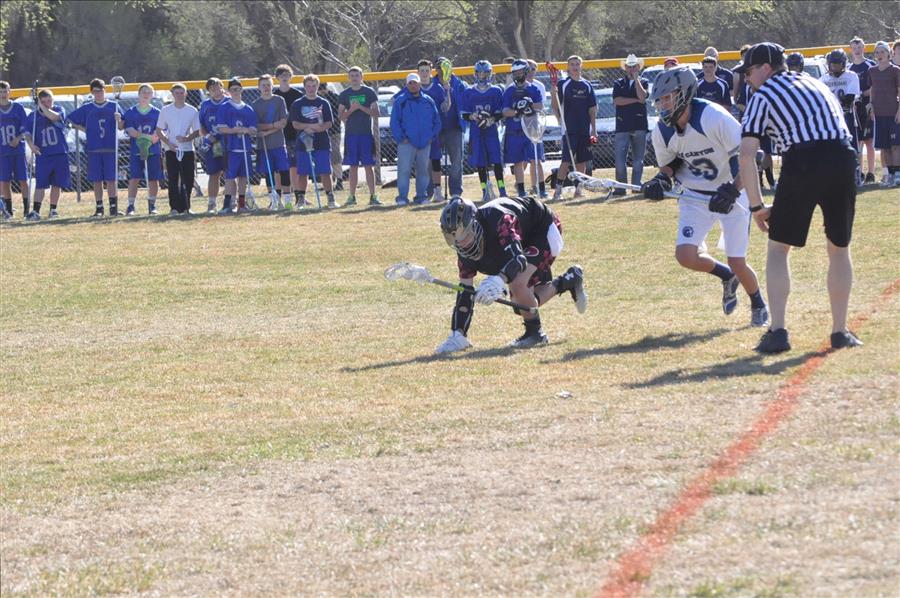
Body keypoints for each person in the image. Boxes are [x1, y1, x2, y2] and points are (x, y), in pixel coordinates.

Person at [736, 42, 861, 353]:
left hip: (803, 159)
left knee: (778, 248)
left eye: (749, 72)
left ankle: (778, 331)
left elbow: (747, 154)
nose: (747, 79)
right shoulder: (814, 82)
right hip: (843, 157)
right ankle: (840, 332)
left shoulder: (763, 94)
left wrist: (756, 206)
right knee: (839, 248)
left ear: (766, 68)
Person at [641, 67, 768, 327]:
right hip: (695, 195)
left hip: (732, 192)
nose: (663, 105)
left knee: (737, 260)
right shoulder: (662, 130)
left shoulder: (713, 116)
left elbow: (746, 158)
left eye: (667, 98)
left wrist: (733, 189)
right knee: (685, 256)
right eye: (660, 100)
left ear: (684, 93)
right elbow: (670, 164)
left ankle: (758, 303)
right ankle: (727, 276)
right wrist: (660, 180)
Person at [435, 195, 587, 353]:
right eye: (454, 238)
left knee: (517, 283)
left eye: (465, 234)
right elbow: (465, 289)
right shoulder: (462, 247)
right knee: (520, 305)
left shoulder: (501, 220)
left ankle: (535, 334)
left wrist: (499, 279)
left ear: (475, 223)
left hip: (542, 228)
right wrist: (458, 334)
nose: (462, 243)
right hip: (522, 237)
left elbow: (518, 259)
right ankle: (569, 280)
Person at [68, 78, 124, 217]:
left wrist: (119, 120)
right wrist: (84, 129)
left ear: (105, 90)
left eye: (101, 91)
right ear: (92, 93)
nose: (98, 94)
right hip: (94, 148)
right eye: (95, 91)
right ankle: (99, 208)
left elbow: (121, 126)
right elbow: (69, 120)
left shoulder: (114, 106)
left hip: (110, 147)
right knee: (97, 179)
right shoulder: (87, 108)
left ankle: (113, 208)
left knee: (111, 179)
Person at [389, 72, 440, 205]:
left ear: (419, 84)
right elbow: (394, 122)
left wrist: (432, 136)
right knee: (404, 170)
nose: (413, 85)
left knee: (423, 171)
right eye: (410, 83)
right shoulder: (400, 101)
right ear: (406, 85)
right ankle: (402, 197)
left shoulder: (428, 100)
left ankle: (421, 196)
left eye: (415, 83)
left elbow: (436, 120)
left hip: (425, 142)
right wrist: (401, 138)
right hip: (406, 142)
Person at [550, 55, 597, 199]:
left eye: (577, 64)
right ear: (568, 67)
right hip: (569, 129)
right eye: (572, 64)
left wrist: (593, 128)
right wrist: (559, 118)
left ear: (581, 66)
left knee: (582, 161)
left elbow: (592, 108)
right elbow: (555, 105)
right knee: (566, 161)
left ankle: (578, 190)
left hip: (584, 129)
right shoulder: (563, 84)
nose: (575, 67)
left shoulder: (587, 85)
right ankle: (558, 191)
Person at [290, 73, 338, 208]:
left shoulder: (324, 103)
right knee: (303, 172)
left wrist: (318, 128)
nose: (311, 89)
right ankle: (301, 199)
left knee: (325, 171)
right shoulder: (298, 104)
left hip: (321, 142)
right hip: (303, 142)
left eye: (313, 86)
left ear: (317, 86)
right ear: (304, 87)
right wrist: (308, 127)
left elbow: (329, 123)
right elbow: (295, 124)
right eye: (308, 86)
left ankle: (330, 198)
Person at [461, 60, 506, 202]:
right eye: (479, 73)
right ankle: (485, 190)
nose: (482, 76)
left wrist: (492, 119)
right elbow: (464, 114)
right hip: (476, 131)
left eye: (485, 73)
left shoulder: (496, 91)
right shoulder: (469, 91)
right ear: (475, 74)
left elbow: (500, 112)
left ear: (490, 73)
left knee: (496, 161)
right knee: (480, 162)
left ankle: (502, 190)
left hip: (491, 130)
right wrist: (473, 116)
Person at [23, 88, 69, 220]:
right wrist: (31, 144)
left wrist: (42, 107)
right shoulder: (33, 116)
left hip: (59, 152)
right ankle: (36, 211)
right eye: (43, 101)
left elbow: (53, 117)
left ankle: (53, 210)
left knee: (57, 183)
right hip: (43, 154)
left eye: (49, 100)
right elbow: (27, 133)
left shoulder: (59, 109)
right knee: (41, 184)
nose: (47, 103)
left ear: (53, 100)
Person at [337, 66, 381, 206]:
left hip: (366, 135)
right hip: (351, 135)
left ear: (362, 77)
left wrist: (361, 107)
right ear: (348, 78)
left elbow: (376, 113)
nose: (354, 78)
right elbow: (341, 116)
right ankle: (352, 196)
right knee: (353, 166)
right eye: (352, 76)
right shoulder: (344, 94)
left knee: (368, 165)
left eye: (357, 75)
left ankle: (373, 196)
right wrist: (351, 110)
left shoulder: (369, 92)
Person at [156, 82, 201, 215]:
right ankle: (174, 208)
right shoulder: (166, 110)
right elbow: (159, 130)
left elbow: (197, 131)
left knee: (188, 178)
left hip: (187, 149)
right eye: (177, 93)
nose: (180, 95)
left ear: (186, 94)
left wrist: (187, 138)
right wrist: (168, 143)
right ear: (173, 94)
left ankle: (186, 207)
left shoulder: (192, 110)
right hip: (171, 150)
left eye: (182, 93)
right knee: (173, 178)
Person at [502, 59, 544, 198]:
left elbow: (540, 106)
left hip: (531, 129)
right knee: (518, 162)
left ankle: (541, 189)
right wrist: (517, 111)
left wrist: (529, 105)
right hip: (515, 130)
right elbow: (505, 111)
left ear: (526, 72)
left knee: (536, 160)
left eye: (520, 72)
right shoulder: (509, 90)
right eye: (515, 72)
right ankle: (521, 191)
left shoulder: (533, 88)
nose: (517, 74)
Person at [820, 49, 862, 185]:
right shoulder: (823, 79)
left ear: (843, 64)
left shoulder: (851, 76)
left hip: (847, 116)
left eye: (837, 64)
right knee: (831, 148)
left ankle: (855, 175)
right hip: (830, 119)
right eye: (833, 64)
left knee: (852, 147)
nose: (835, 67)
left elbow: (849, 98)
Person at [217, 78, 258, 213]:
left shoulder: (248, 109)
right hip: (231, 148)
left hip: (245, 148)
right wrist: (235, 130)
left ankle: (242, 204)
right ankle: (227, 204)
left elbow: (253, 130)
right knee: (230, 177)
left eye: (238, 89)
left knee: (243, 177)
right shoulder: (224, 107)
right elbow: (222, 128)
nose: (236, 92)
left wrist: (246, 130)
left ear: (242, 90)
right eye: (233, 89)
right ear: (228, 91)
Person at [121, 84, 163, 215]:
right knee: (135, 178)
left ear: (152, 95)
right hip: (137, 150)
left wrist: (151, 138)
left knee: (153, 179)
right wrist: (147, 137)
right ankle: (131, 205)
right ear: (138, 94)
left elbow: (158, 133)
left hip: (153, 150)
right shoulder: (131, 112)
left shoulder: (157, 113)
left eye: (149, 92)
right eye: (143, 92)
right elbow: (131, 131)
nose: (146, 94)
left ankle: (152, 205)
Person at [612, 54, 650, 195]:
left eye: (634, 66)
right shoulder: (618, 83)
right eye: (629, 66)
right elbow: (617, 101)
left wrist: (636, 81)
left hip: (639, 124)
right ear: (625, 68)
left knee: (638, 159)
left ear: (638, 67)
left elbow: (642, 97)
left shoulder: (644, 82)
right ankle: (621, 187)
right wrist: (634, 100)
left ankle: (636, 186)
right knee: (620, 159)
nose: (632, 69)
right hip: (622, 125)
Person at [253, 74, 290, 209]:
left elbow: (283, 122)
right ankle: (274, 201)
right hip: (264, 145)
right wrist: (274, 125)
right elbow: (256, 126)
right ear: (259, 87)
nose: (266, 87)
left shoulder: (279, 100)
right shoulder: (255, 104)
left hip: (278, 143)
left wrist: (268, 130)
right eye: (263, 85)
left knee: (284, 171)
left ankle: (287, 201)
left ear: (272, 86)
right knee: (269, 173)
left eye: (268, 85)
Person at [866, 40, 900, 187]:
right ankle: (890, 175)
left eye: (882, 52)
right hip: (879, 114)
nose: (880, 55)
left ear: (888, 53)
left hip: (893, 113)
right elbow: (872, 90)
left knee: (895, 145)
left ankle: (898, 174)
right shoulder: (872, 71)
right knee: (885, 146)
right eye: (877, 52)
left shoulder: (895, 70)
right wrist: (871, 106)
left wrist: (899, 111)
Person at [435, 56, 467, 198]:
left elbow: (466, 101)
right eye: (439, 67)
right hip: (437, 129)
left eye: (444, 66)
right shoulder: (432, 84)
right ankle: (433, 191)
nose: (441, 70)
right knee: (433, 160)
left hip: (455, 127)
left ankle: (455, 191)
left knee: (456, 161)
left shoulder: (459, 84)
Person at [273, 64, 304, 207]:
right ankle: (278, 198)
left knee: (295, 167)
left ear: (291, 77)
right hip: (278, 136)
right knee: (279, 169)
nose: (284, 78)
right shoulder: (274, 96)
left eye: (287, 75)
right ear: (277, 78)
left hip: (294, 135)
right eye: (281, 75)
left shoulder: (298, 95)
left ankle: (299, 196)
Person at [0, 81, 32, 219]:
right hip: (2, 152)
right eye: (0, 92)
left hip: (17, 150)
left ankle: (26, 210)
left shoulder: (18, 107)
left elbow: (25, 127)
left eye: (5, 91)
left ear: (10, 92)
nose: (3, 94)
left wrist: (18, 139)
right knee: (5, 181)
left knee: (23, 180)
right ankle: (8, 211)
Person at [198, 77, 229, 212]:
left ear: (222, 87)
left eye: (217, 86)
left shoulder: (229, 102)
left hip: (228, 142)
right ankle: (212, 203)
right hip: (213, 143)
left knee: (230, 173)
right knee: (214, 173)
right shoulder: (205, 105)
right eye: (211, 88)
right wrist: (208, 136)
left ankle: (231, 201)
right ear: (208, 91)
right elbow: (200, 126)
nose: (215, 89)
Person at [849, 37, 877, 183]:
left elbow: (875, 86)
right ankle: (859, 171)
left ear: (864, 48)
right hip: (855, 108)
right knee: (857, 141)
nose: (857, 50)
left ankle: (871, 173)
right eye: (854, 48)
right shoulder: (848, 68)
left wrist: (864, 93)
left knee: (869, 141)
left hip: (868, 106)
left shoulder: (870, 65)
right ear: (850, 50)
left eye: (859, 47)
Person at [524, 59, 548, 198]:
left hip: (534, 124)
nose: (530, 72)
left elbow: (541, 106)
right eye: (528, 69)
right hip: (520, 124)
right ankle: (520, 185)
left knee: (536, 158)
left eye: (533, 69)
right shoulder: (516, 85)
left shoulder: (539, 86)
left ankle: (538, 187)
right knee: (522, 160)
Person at [317, 82, 344, 190]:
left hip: (334, 131)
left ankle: (339, 180)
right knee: (324, 157)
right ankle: (328, 183)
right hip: (320, 132)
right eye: (320, 89)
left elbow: (339, 114)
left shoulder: (334, 97)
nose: (321, 91)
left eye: (323, 88)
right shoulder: (315, 99)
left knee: (335, 156)